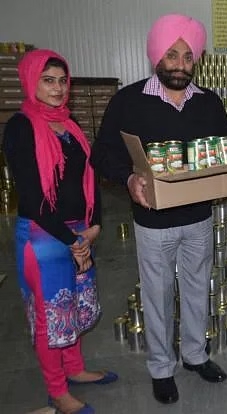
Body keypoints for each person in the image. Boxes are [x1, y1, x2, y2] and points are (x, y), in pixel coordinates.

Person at [90, 14, 227, 405]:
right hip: (152, 221)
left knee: (196, 289)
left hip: (198, 218)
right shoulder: (129, 101)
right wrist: (129, 180)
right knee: (156, 293)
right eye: (172, 55)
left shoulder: (209, 102)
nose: (180, 65)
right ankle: (160, 367)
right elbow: (102, 153)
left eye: (188, 57)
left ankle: (194, 355)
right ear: (157, 56)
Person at [2, 49, 117, 414]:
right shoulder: (21, 127)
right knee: (51, 315)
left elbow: (89, 176)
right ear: (31, 81)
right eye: (47, 80)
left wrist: (93, 226)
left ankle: (75, 370)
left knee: (74, 309)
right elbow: (34, 199)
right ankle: (57, 392)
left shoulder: (69, 124)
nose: (56, 88)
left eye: (61, 80)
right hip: (42, 236)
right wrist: (74, 242)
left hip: (78, 233)